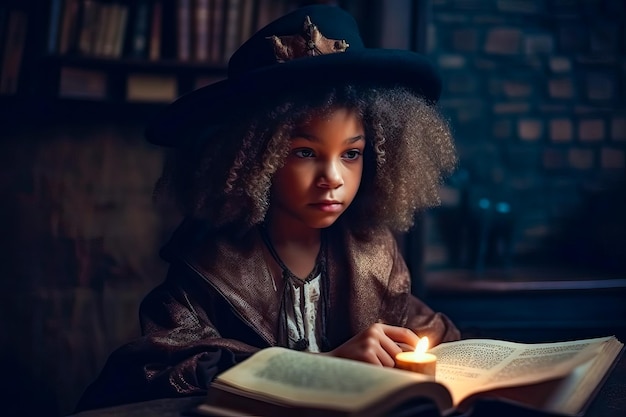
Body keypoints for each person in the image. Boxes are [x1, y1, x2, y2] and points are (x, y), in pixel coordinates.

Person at [75, 4, 460, 412]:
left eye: (351, 154)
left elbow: (430, 334)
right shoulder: (208, 266)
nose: (332, 177)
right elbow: (155, 368)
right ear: (256, 158)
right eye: (305, 152)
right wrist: (319, 367)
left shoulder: (374, 254)